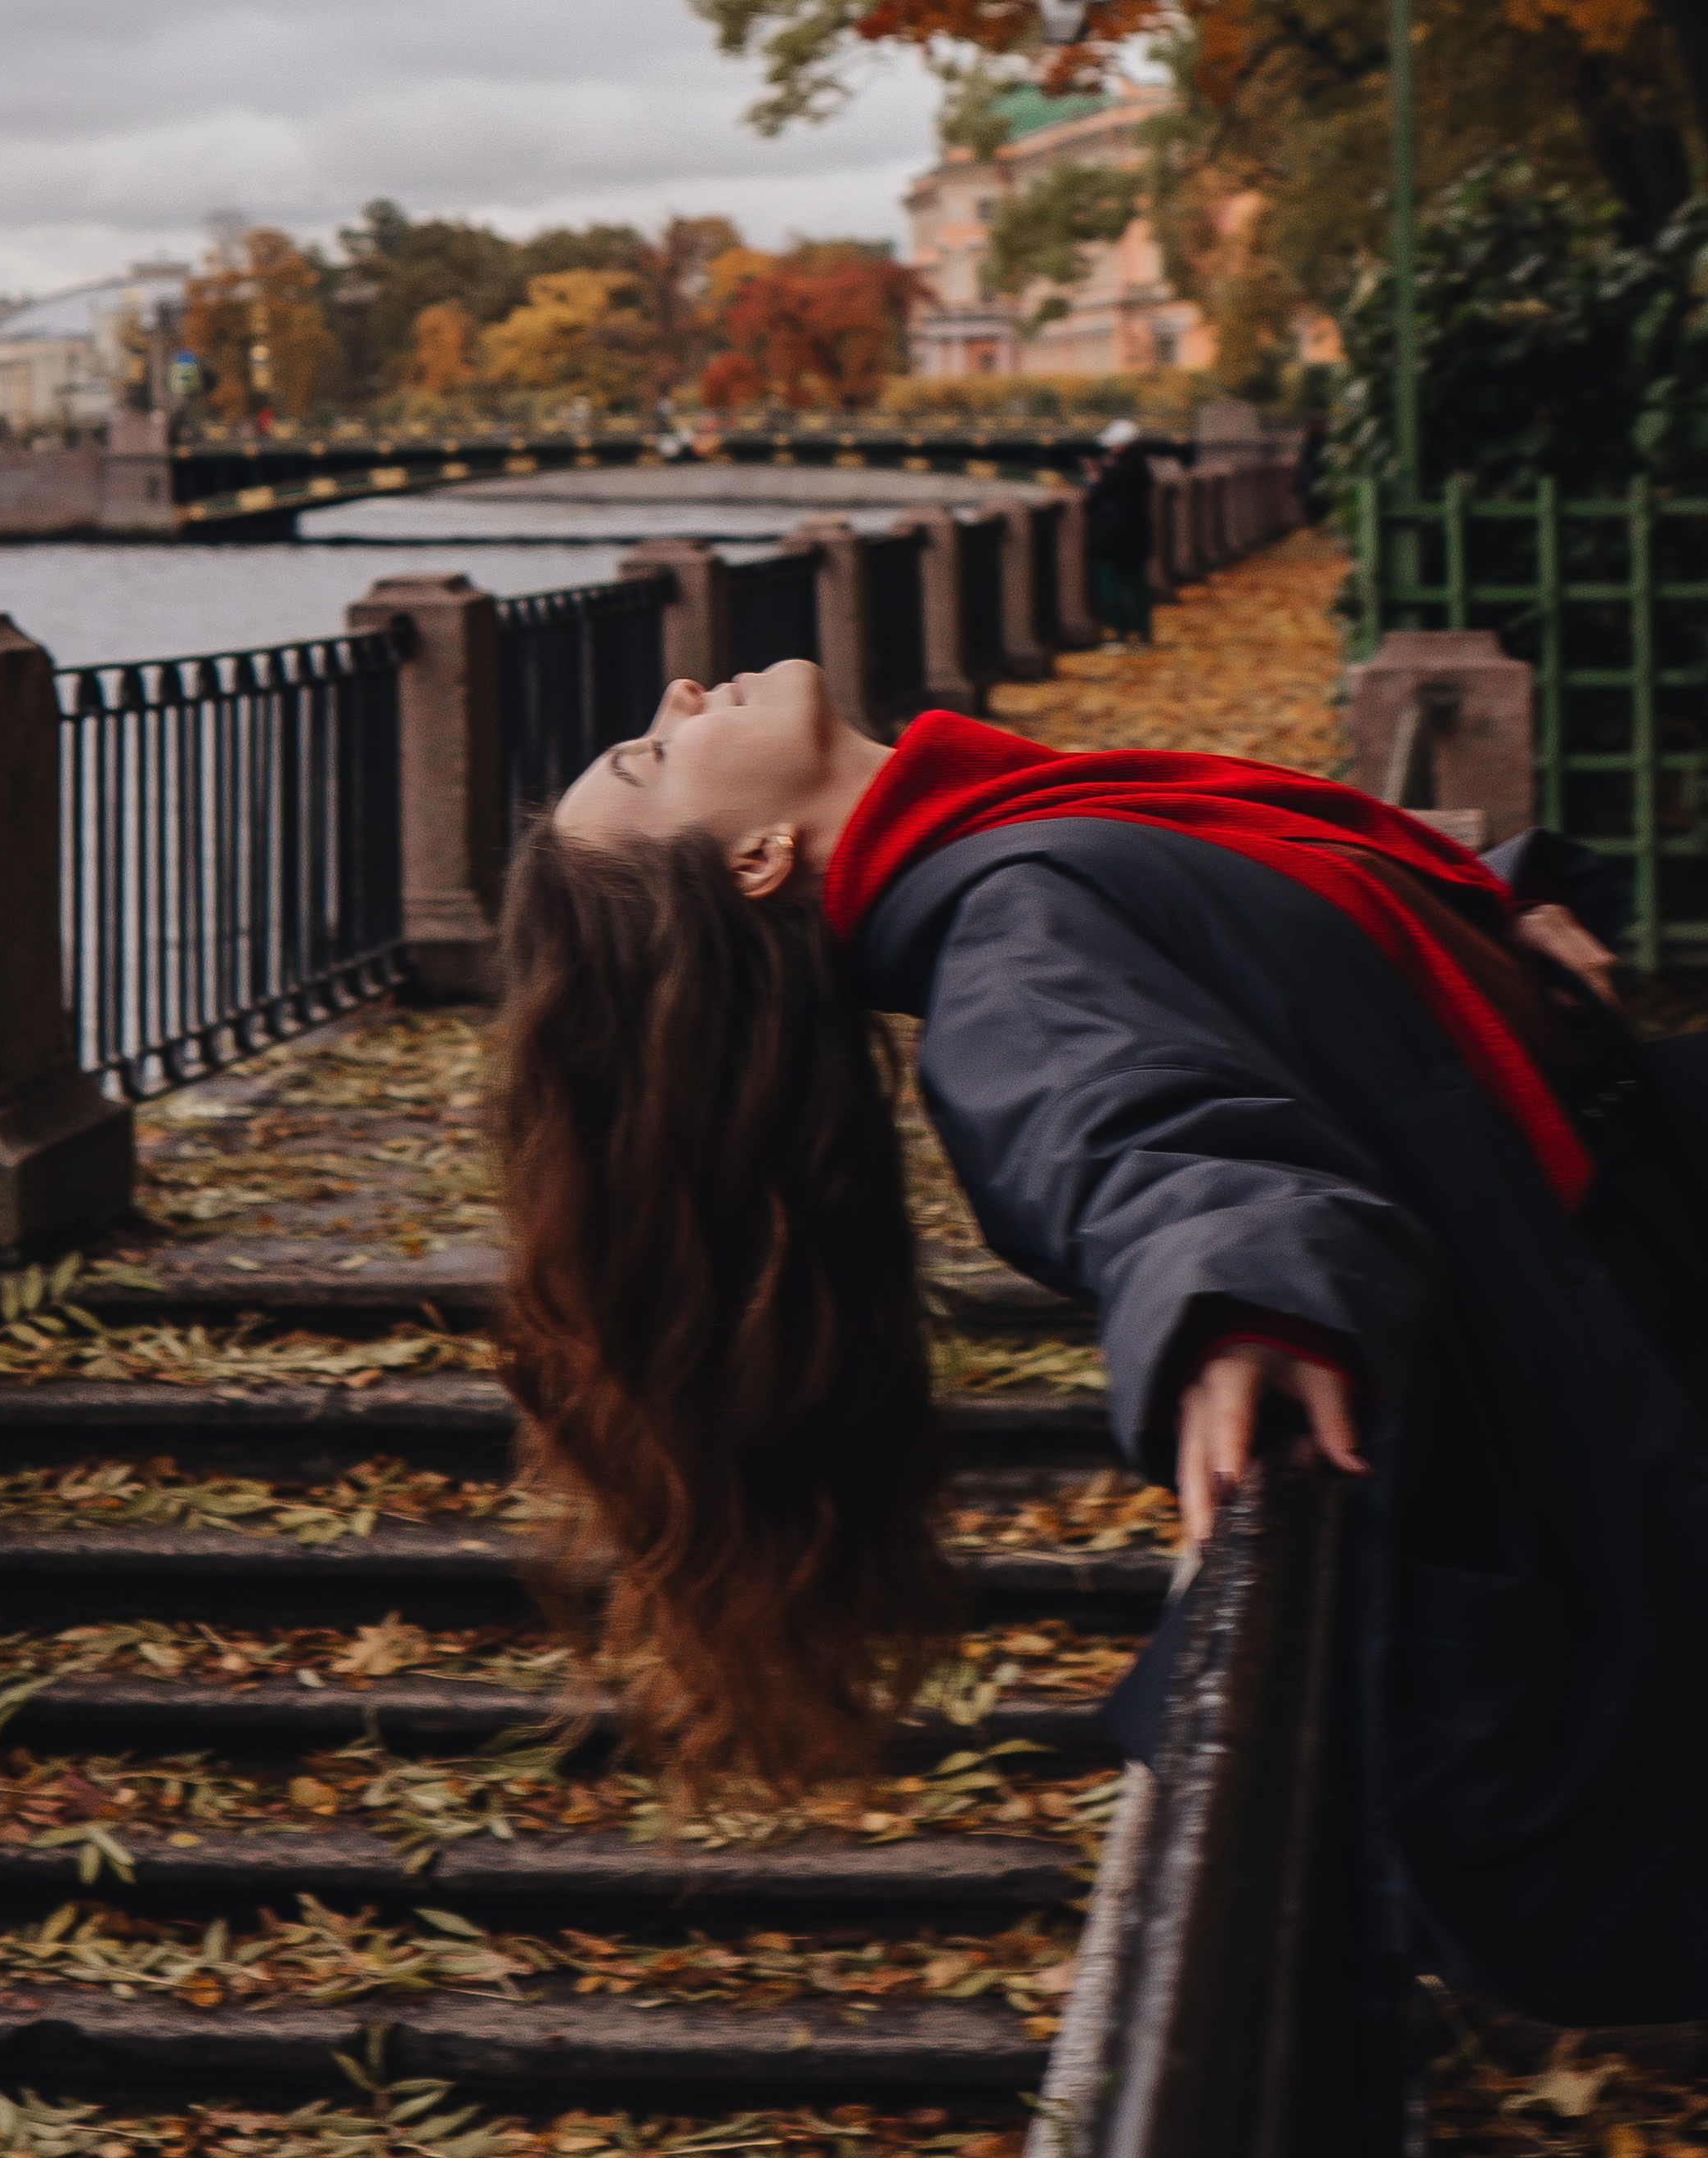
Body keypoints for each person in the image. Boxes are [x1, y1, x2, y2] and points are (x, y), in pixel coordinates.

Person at [496, 661, 1708, 2026]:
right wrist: (1235, 1292)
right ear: (761, 857)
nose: (676, 692)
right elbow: (1130, 1126)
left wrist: (1489, 911)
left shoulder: (1017, 843)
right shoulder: (1008, 940)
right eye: (655, 755)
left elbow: (1278, 919)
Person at [1083, 417, 1156, 648]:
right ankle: (1143, 635)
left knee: (1110, 586)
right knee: (1137, 584)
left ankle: (1119, 635)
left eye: (1113, 444)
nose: (1109, 448)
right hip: (1137, 535)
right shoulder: (1143, 471)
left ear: (1120, 446)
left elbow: (1093, 502)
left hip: (1110, 537)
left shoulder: (1113, 473)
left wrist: (1095, 480)